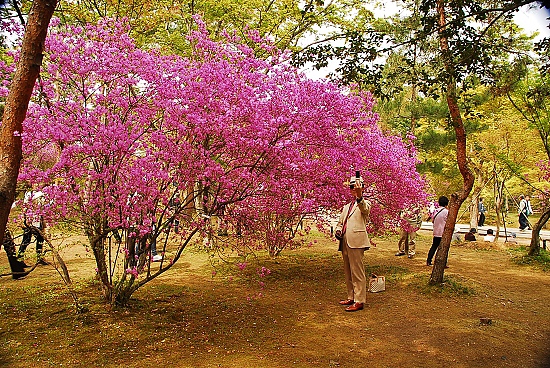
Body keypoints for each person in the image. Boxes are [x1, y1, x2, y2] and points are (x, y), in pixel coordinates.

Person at [334, 173, 371, 312]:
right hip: (345, 242)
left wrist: (360, 196)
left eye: (356, 187)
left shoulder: (365, 203)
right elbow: (340, 223)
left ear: (362, 188)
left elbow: (364, 209)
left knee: (357, 272)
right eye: (351, 187)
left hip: (357, 242)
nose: (353, 189)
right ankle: (351, 296)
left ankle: (359, 300)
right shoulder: (346, 207)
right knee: (348, 271)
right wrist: (338, 231)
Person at [17, 190, 46, 265]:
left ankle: (39, 257)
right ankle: (20, 258)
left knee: (39, 239)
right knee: (27, 240)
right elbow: (26, 206)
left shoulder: (39, 194)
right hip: (30, 221)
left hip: (36, 221)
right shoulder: (30, 194)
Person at [426, 196, 449, 266]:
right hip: (443, 233)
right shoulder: (446, 212)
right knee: (443, 248)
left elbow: (433, 221)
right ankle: (443, 263)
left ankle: (429, 260)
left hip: (436, 232)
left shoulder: (435, 211)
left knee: (434, 246)